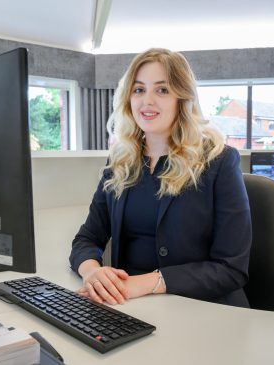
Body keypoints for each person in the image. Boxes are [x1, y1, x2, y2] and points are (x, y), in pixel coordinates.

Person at [69, 48, 252, 307]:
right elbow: (87, 238)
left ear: (182, 97)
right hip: (132, 305)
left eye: (162, 90)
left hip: (203, 307)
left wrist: (145, 283)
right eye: (139, 89)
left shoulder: (219, 161)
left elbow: (231, 268)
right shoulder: (120, 161)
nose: (147, 101)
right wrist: (92, 272)